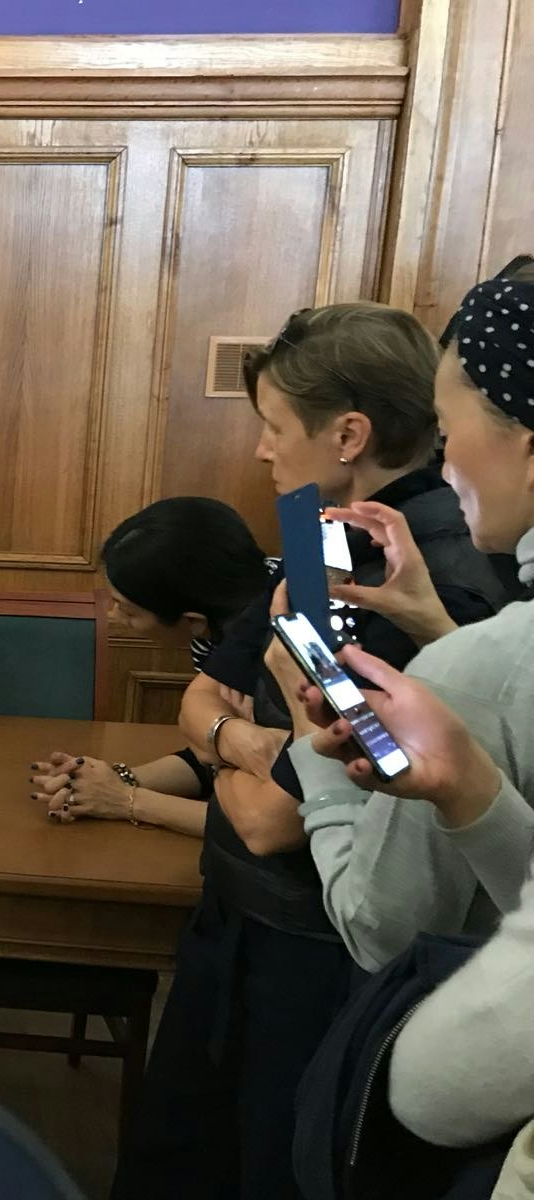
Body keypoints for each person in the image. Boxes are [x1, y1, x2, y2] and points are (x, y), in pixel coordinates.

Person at [114, 302, 508, 1200]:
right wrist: (241, 739)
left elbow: (276, 821)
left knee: (271, 1172)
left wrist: (236, 746)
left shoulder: (436, 571)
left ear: (348, 433)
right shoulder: (312, 526)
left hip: (316, 957)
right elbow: (206, 689)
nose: (260, 450)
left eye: (273, 427)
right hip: (237, 930)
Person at [270, 269, 534, 1156]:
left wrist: (307, 743)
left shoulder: (482, 662)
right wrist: (440, 628)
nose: (445, 460)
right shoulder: (479, 633)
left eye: (452, 433)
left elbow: (382, 928)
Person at [30, 497, 272, 836]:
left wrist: (127, 800)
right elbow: (218, 755)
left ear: (192, 621)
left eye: (128, 611)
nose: (113, 617)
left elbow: (275, 825)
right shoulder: (230, 613)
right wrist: (114, 779)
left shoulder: (284, 657)